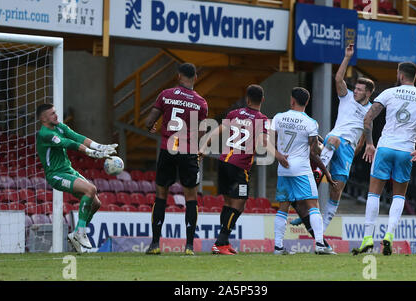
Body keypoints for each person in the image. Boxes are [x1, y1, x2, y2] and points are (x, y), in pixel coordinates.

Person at [353, 61, 416, 256]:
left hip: (385, 147)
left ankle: (367, 238)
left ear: (400, 74)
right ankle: (389, 236)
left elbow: (368, 118)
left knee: (374, 193)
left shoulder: (388, 93)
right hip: (406, 150)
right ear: (414, 76)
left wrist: (370, 143)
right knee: (399, 195)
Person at [298, 44, 375, 233]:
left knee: (336, 190)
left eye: (359, 89)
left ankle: (320, 233)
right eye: (355, 88)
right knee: (333, 139)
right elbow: (339, 78)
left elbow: (364, 137)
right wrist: (347, 57)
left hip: (348, 149)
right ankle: (318, 172)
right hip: (335, 138)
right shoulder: (346, 97)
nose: (355, 91)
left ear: (368, 93)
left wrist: (353, 155)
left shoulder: (371, 111)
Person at [198, 84, 280, 255]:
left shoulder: (234, 114)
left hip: (224, 161)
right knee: (239, 204)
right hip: (239, 167)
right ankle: (220, 243)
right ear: (262, 100)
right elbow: (265, 142)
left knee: (228, 203)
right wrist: (279, 157)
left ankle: (224, 243)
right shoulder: (262, 119)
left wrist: (205, 146)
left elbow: (218, 131)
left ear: (247, 99)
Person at [144, 62, 208, 256]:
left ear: (179, 76)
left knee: (161, 194)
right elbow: (202, 130)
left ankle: (155, 244)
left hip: (167, 149)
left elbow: (149, 122)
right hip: (188, 152)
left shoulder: (165, 95)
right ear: (195, 78)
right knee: (191, 197)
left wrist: (151, 127)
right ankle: (189, 246)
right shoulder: (201, 103)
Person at [36, 103, 117, 253]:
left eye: (55, 112)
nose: (56, 115)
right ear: (43, 118)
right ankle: (80, 232)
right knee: (91, 189)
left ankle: (76, 235)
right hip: (56, 175)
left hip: (67, 169)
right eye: (52, 113)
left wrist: (99, 147)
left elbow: (76, 136)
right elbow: (67, 142)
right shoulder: (44, 134)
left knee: (96, 203)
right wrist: (90, 152)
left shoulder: (59, 126)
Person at [271, 87, 337, 255]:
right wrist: (324, 148)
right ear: (307, 102)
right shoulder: (310, 123)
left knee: (283, 207)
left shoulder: (278, 118)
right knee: (312, 205)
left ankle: (278, 246)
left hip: (283, 167)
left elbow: (270, 141)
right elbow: (314, 151)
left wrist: (278, 155)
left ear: (292, 100)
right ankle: (320, 244)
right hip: (301, 168)